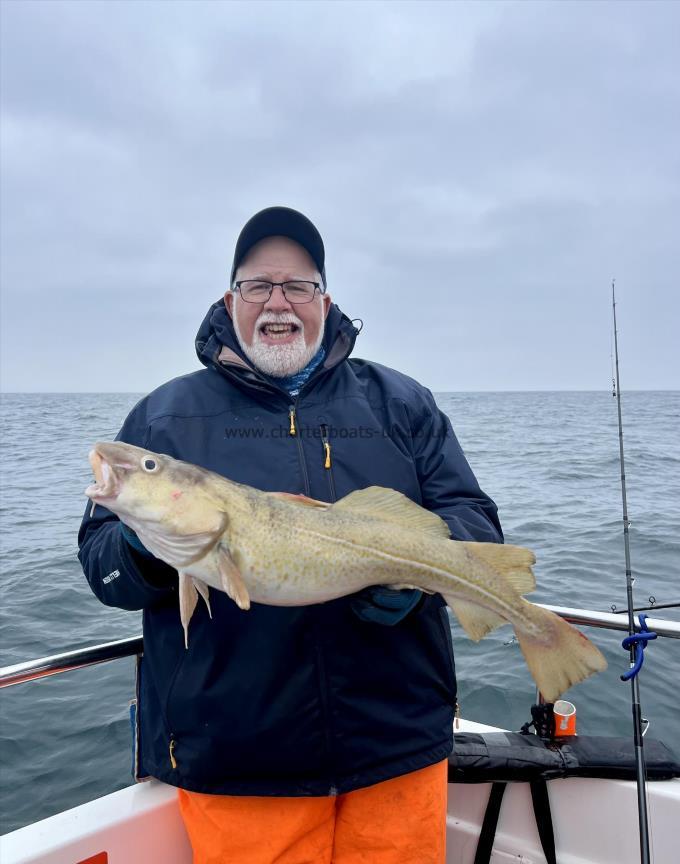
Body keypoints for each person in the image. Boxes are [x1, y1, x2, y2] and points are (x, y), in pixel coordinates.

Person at [79, 206, 503, 864]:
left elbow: (473, 518)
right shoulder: (165, 418)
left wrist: (414, 588)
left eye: (298, 287)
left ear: (326, 302)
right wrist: (147, 545)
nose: (279, 305)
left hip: (396, 748)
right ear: (231, 299)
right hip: (241, 765)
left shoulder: (401, 404)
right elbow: (101, 569)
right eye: (258, 287)